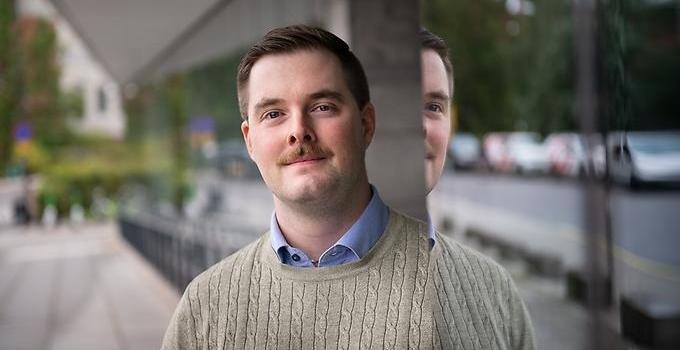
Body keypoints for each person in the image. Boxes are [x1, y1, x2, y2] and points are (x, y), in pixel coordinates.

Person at [162, 25, 535, 350]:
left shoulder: (490, 290)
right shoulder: (204, 307)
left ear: (366, 124)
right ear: (249, 141)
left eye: (322, 106)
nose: (298, 131)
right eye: (273, 114)